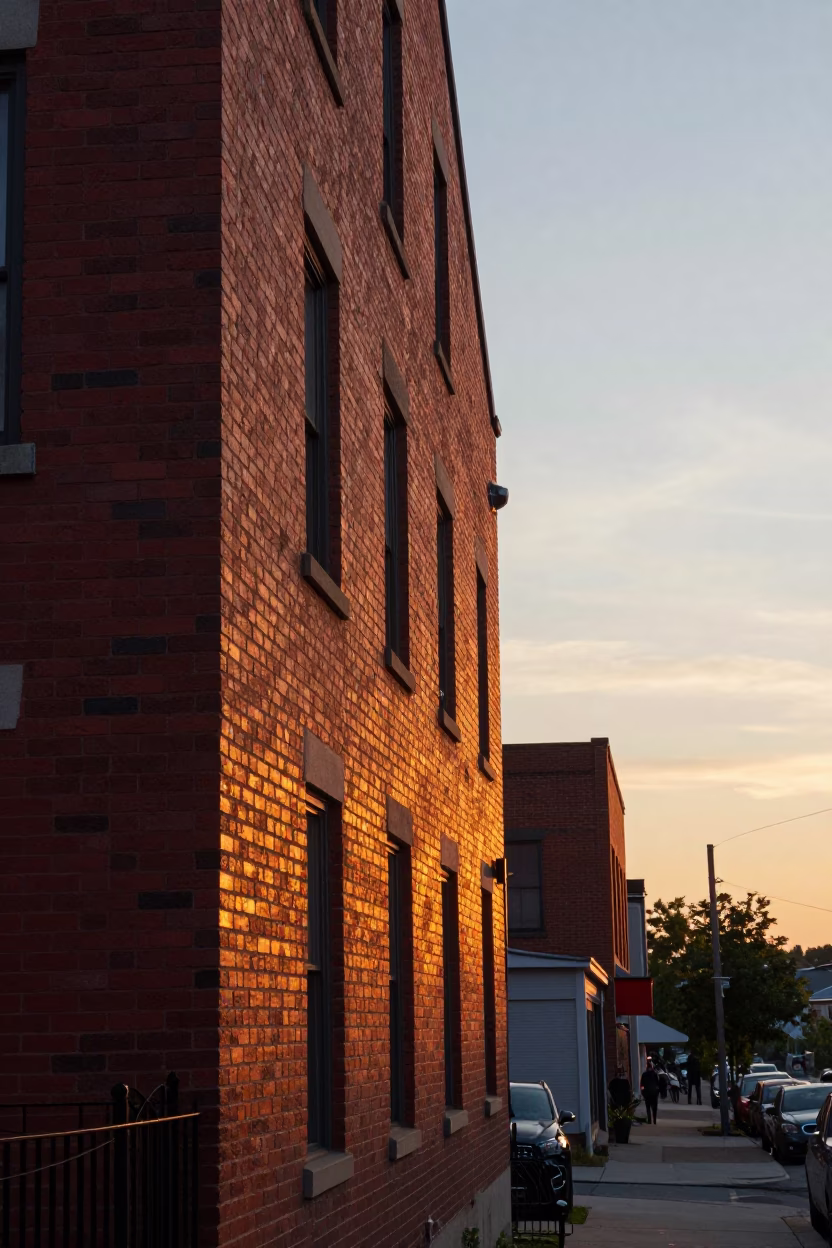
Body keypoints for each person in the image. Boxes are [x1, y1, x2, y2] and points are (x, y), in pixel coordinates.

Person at [641, 1060, 660, 1124]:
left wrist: (643, 1092)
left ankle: (649, 1120)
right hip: (654, 1092)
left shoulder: (644, 1074)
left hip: (647, 1093)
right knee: (654, 1107)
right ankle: (654, 1120)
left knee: (648, 1107)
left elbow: (642, 1085)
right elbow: (658, 1084)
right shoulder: (655, 1074)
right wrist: (657, 1091)